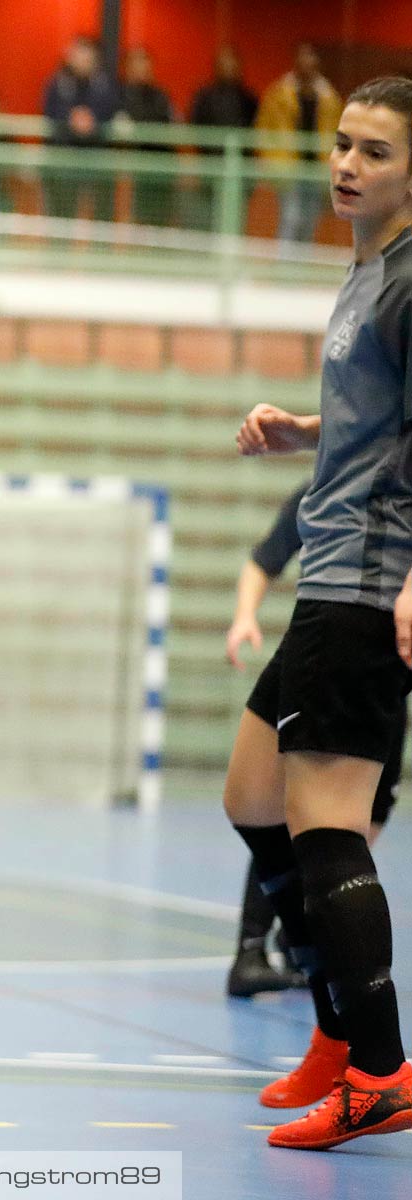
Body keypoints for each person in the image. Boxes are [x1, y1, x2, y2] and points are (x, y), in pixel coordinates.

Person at [228, 76, 412, 1151]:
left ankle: (382, 1068)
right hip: (328, 569)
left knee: (328, 826)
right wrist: (307, 428)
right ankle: (338, 1036)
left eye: (375, 152)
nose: (346, 164)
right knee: (253, 797)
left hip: (368, 581)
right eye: (342, 144)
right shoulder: (364, 273)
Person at [223, 482, 401, 997]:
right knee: (288, 815)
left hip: (383, 675)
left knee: (357, 826)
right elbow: (266, 557)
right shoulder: (325, 492)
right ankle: (255, 947)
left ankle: (303, 941)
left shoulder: (395, 495)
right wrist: (243, 616)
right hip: (329, 657)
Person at [256, 43, 342, 246]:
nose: (307, 65)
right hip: (288, 168)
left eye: (311, 59)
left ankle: (300, 269)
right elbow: (264, 130)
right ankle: (286, 271)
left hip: (317, 169)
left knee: (310, 222)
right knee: (290, 218)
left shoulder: (330, 99)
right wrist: (270, 162)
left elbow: (338, 132)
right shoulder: (278, 94)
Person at [40, 34, 120, 222]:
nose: (82, 60)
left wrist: (93, 119)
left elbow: (111, 109)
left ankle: (101, 250)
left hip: (97, 160)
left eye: (87, 56)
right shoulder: (57, 83)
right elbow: (50, 111)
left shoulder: (106, 84)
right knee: (60, 215)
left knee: (102, 215)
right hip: (62, 160)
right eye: (78, 55)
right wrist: (71, 118)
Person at [187, 47, 258, 233]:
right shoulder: (204, 97)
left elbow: (254, 132)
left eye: (232, 64)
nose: (229, 68)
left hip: (239, 171)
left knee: (235, 223)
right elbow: (195, 127)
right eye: (224, 64)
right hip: (209, 169)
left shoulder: (249, 99)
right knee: (206, 222)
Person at [113, 46, 176, 228]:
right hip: (132, 171)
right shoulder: (118, 95)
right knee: (133, 223)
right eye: (137, 64)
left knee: (159, 222)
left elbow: (171, 125)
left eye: (146, 64)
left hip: (161, 169)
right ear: (128, 67)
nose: (143, 69)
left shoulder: (160, 95)